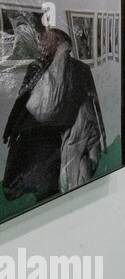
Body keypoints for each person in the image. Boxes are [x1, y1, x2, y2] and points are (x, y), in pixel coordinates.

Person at [3, 27, 106, 204]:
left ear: (59, 43)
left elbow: (91, 102)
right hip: (32, 134)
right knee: (22, 179)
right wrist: (11, 130)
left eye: (46, 40)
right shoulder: (37, 67)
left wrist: (98, 135)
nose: (42, 44)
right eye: (41, 40)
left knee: (48, 185)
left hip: (57, 137)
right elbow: (22, 100)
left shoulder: (79, 69)